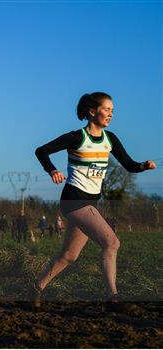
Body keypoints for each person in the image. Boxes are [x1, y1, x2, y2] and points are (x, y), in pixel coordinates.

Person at [33, 92, 156, 311]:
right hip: (74, 201)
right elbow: (41, 151)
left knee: (69, 255)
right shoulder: (77, 137)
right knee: (112, 242)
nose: (110, 114)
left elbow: (128, 164)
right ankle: (113, 297)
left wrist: (143, 166)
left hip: (90, 204)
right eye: (107, 109)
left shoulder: (110, 139)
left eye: (112, 111)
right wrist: (52, 170)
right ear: (92, 111)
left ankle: (37, 288)